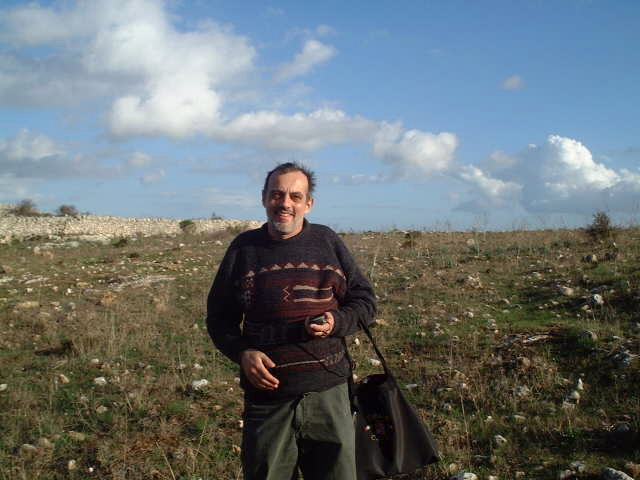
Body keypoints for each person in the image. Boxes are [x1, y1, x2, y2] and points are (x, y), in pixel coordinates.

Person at [206, 162, 376, 480]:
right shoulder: (243, 249)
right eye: (277, 194)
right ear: (264, 199)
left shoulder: (327, 242)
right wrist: (243, 352)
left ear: (308, 203)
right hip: (268, 399)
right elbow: (218, 318)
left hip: (329, 393)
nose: (285, 203)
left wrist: (336, 322)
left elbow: (365, 301)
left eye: (295, 196)